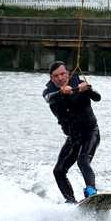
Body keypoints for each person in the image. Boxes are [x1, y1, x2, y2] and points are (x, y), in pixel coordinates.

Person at [42, 61, 102, 203]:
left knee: (83, 161)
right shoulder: (49, 92)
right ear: (52, 78)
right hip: (73, 137)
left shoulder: (79, 84)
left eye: (63, 74)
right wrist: (61, 92)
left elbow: (97, 97)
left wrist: (88, 89)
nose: (60, 78)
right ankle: (70, 202)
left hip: (90, 132)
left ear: (68, 73)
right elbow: (48, 98)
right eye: (56, 76)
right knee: (58, 171)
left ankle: (91, 191)